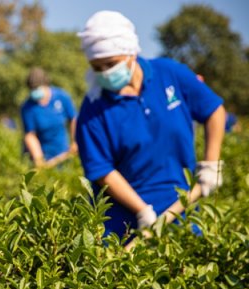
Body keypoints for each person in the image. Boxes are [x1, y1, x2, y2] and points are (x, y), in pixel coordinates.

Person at [75, 11, 226, 239]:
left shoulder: (170, 74)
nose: (105, 72)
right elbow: (101, 170)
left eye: (111, 63)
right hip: (123, 222)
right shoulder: (93, 108)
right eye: (97, 67)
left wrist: (211, 165)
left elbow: (213, 110)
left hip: (181, 209)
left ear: (131, 53)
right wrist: (142, 211)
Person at [20, 67, 77, 168]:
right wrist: (39, 160)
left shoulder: (61, 97)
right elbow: (30, 135)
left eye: (37, 87)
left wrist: (75, 142)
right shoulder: (27, 107)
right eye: (32, 89)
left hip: (63, 152)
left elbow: (73, 119)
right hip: (43, 155)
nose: (35, 91)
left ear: (46, 84)